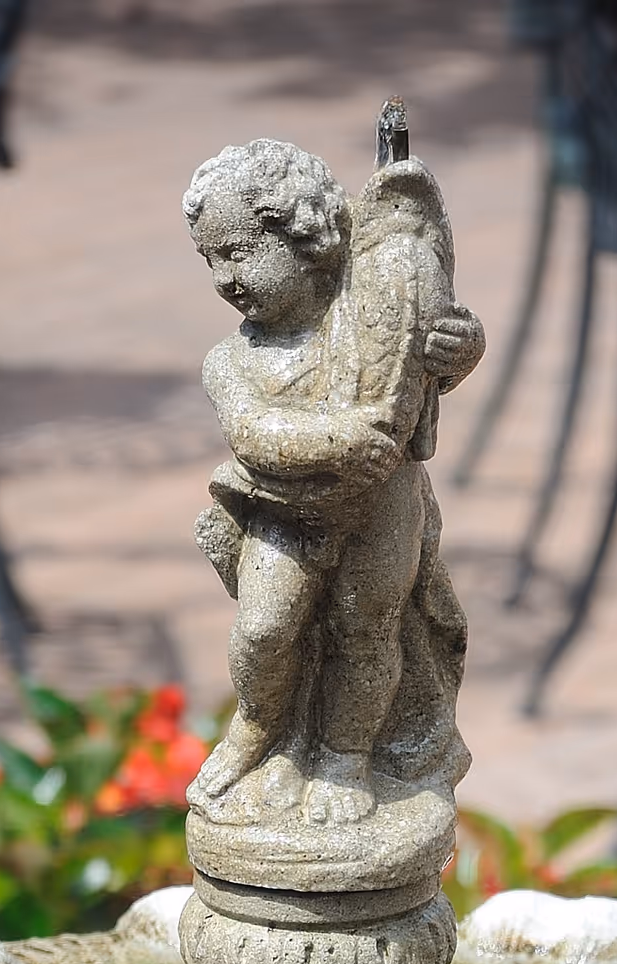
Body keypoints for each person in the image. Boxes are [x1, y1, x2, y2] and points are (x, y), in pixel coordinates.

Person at [182, 135, 483, 828]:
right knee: (264, 629)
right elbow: (256, 433)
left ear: (304, 236)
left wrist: (460, 349)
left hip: (384, 503)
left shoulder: (371, 316)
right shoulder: (230, 360)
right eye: (210, 258)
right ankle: (259, 728)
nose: (224, 276)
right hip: (282, 512)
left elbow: (420, 374)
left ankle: (346, 756)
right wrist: (339, 437)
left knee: (366, 625)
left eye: (238, 250)